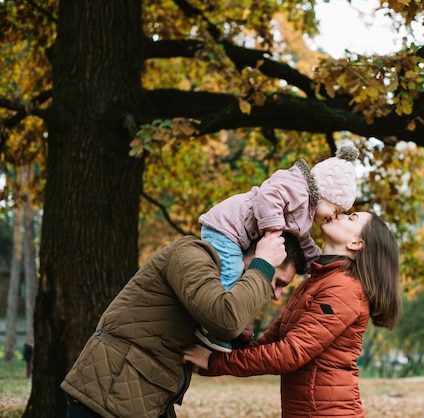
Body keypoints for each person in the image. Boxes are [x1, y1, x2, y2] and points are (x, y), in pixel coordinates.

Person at [61, 231, 306, 418]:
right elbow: (224, 321)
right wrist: (263, 266)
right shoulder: (192, 253)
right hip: (107, 396)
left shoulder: (220, 287)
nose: (275, 295)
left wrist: (240, 339)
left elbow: (217, 333)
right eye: (278, 282)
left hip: (140, 397)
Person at [183, 211, 403, 417]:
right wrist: (215, 356)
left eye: (352, 217)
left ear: (355, 243)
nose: (340, 214)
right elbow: (272, 341)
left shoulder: (344, 289)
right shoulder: (315, 283)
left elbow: (290, 354)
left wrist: (215, 362)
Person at [195, 143, 359, 352]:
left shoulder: (304, 215)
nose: (334, 217)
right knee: (231, 272)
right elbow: (268, 196)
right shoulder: (298, 190)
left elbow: (304, 241)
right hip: (225, 227)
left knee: (237, 277)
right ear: (324, 195)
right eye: (335, 210)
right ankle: (213, 325)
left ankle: (228, 325)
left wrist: (317, 263)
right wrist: (273, 231)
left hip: (236, 235)